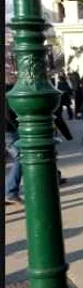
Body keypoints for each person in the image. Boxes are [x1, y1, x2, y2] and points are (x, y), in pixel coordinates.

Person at [5, 76, 23, 205]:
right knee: (21, 157)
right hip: (9, 131)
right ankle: (11, 191)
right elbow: (9, 113)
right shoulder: (9, 92)